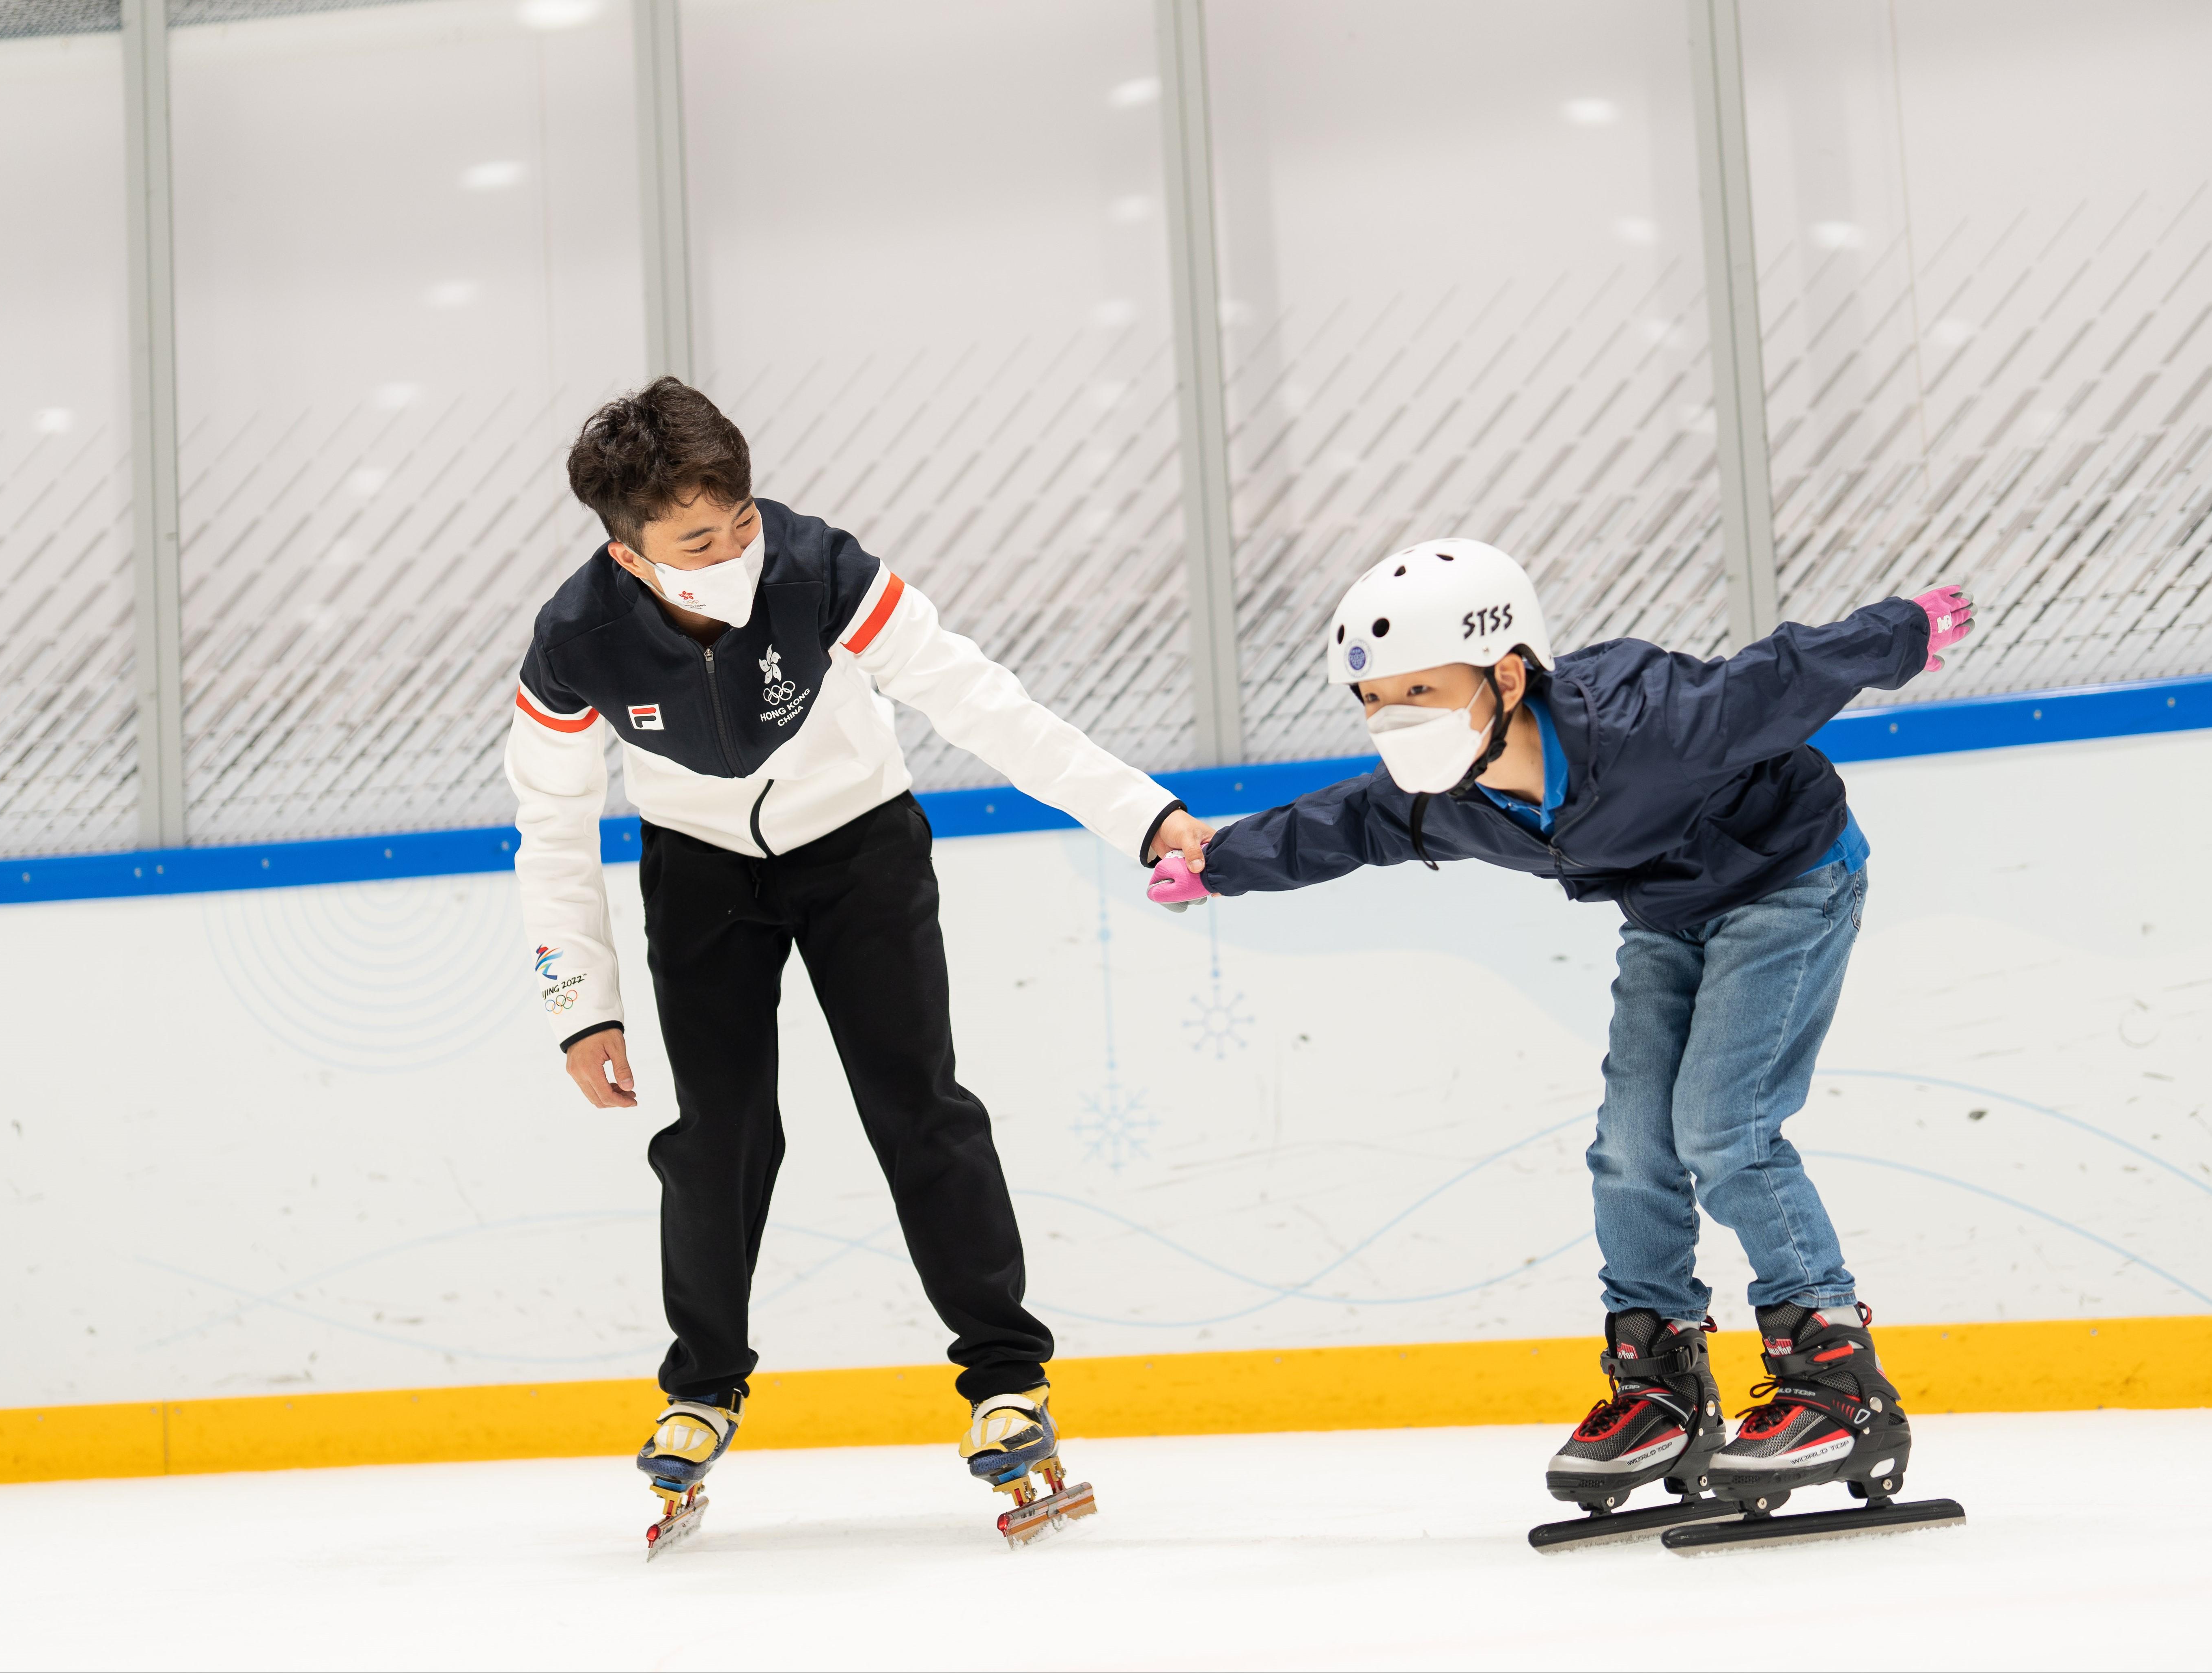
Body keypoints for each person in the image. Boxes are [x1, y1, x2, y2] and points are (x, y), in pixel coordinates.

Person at [505, 377, 1211, 1540]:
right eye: (697, 540)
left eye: (740, 520)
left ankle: (1003, 1379)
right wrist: (579, 1006)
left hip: (858, 849)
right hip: (699, 870)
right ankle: (702, 1385)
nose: (735, 548)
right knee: (719, 1132)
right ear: (631, 557)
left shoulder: (820, 570)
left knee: (915, 1103)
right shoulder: (575, 643)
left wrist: (1143, 815)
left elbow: (985, 704)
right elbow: (550, 826)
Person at [1147, 538, 1973, 1531]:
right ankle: (1658, 1381)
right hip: (1667, 911)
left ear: (1504, 674)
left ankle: (1836, 1378)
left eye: (1418, 690)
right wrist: (1220, 863)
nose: (1391, 721)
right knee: (1629, 1147)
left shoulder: (1650, 722)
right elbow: (1339, 826)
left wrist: (1911, 628)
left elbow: (1786, 676)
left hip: (1789, 879)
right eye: (1373, 701)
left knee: (1722, 1127)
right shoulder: (1439, 798)